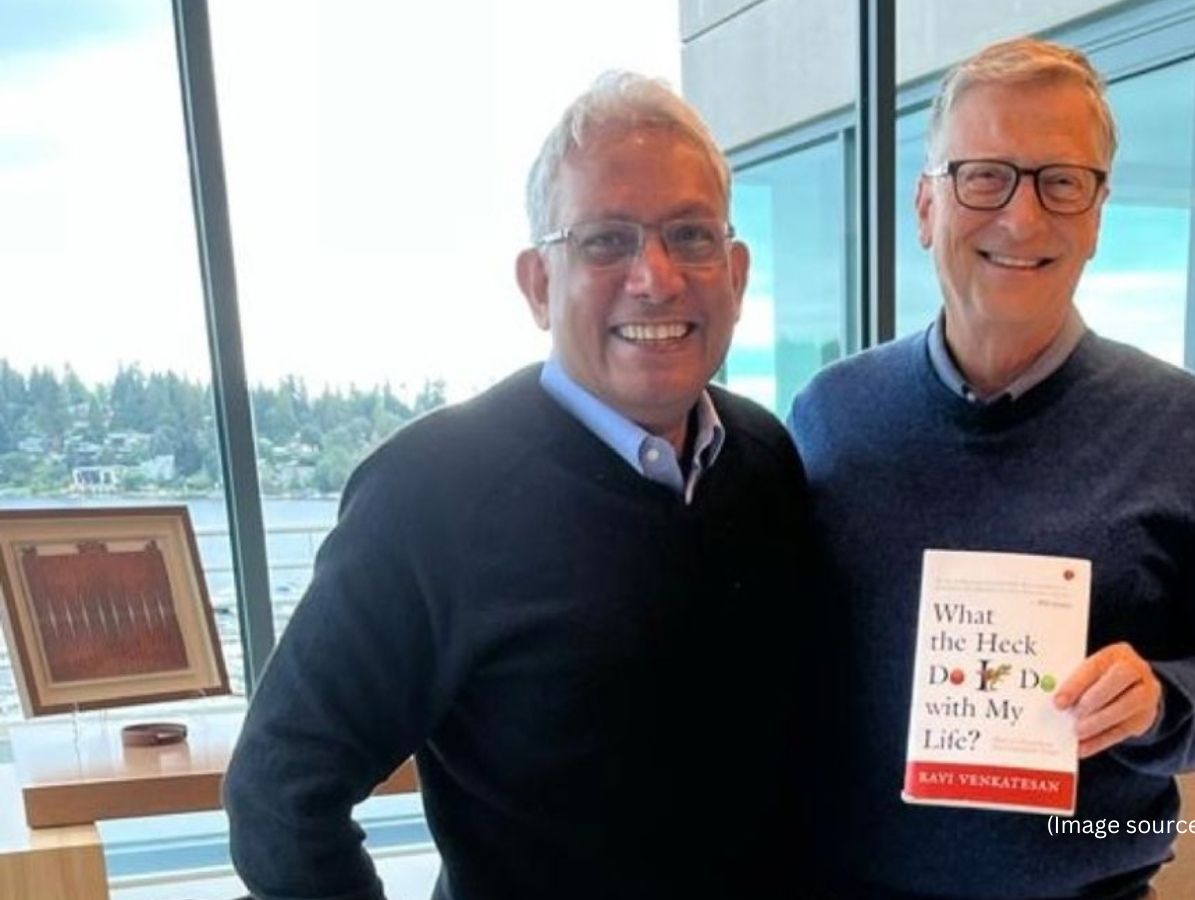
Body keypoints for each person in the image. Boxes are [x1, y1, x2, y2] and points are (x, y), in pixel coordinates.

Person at [224, 72, 814, 899]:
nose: (655, 276)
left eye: (690, 235)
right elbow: (278, 798)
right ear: (539, 284)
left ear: (737, 275)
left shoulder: (765, 458)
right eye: (606, 240)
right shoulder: (430, 494)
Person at [789, 38, 1195, 899]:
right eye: (984, 176)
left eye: (1061, 182)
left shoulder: (1178, 424)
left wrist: (1161, 702)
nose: (1022, 219)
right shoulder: (831, 417)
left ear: (1097, 215)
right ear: (926, 206)